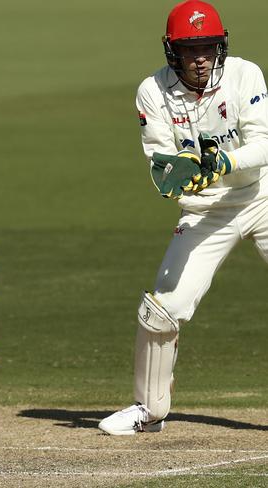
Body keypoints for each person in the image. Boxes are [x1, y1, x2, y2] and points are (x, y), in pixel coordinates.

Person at [99, 0, 268, 435]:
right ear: (171, 50)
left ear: (221, 46)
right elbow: (161, 162)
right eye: (189, 50)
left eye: (207, 48)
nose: (199, 59)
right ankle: (148, 410)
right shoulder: (152, 91)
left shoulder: (245, 75)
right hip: (205, 213)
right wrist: (178, 177)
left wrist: (219, 164)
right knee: (162, 309)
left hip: (261, 197)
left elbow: (263, 145)